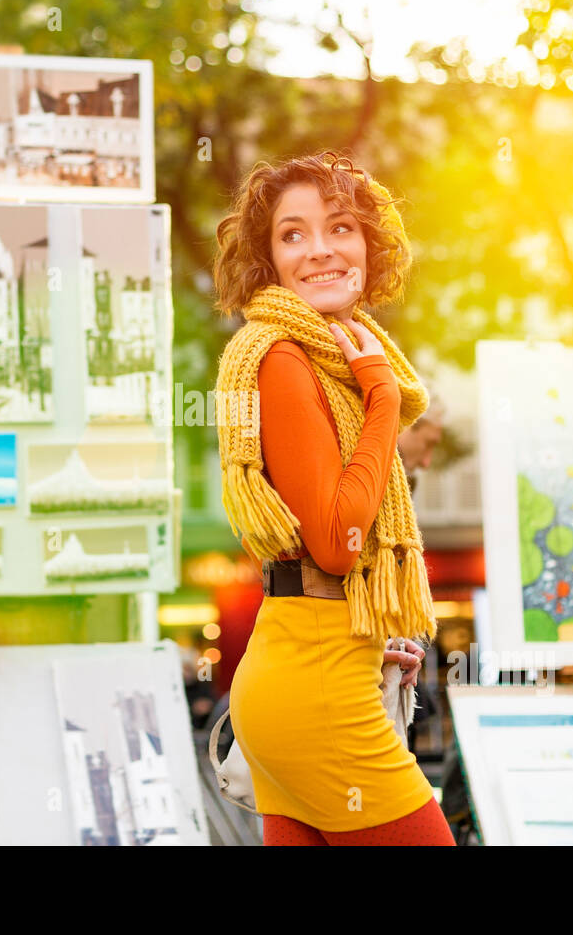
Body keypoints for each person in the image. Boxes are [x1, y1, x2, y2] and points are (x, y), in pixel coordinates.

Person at [212, 151, 454, 846]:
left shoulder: (329, 360)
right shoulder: (285, 360)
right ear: (269, 259)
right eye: (292, 235)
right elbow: (334, 543)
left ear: (371, 250)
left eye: (340, 228)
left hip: (309, 671)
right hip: (316, 693)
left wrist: (376, 635)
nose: (318, 250)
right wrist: (382, 400)